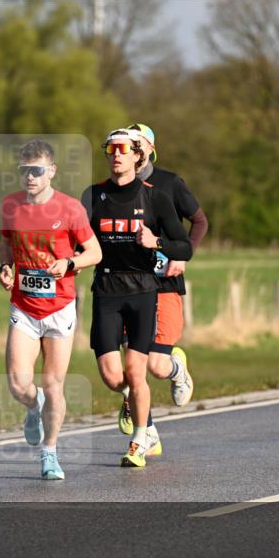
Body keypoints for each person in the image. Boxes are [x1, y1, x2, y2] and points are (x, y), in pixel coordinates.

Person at [82, 129, 192, 468]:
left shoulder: (154, 197)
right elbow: (76, 239)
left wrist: (155, 242)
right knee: (114, 378)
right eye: (111, 149)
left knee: (136, 369)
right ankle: (137, 409)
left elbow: (183, 245)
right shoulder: (93, 195)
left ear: (136, 156)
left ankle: (141, 440)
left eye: (123, 149)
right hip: (106, 290)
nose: (116, 154)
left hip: (143, 291)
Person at [0, 139, 103, 480]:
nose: (30, 177)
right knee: (18, 383)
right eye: (24, 170)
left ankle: (50, 454)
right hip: (25, 306)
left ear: (51, 171)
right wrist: (5, 267)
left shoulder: (70, 209)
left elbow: (95, 253)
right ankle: (33, 405)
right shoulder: (11, 206)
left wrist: (69, 263)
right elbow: (5, 242)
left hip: (59, 308)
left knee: (54, 384)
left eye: (36, 170)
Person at [111, 122, 210, 454]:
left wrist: (182, 255)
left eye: (135, 144)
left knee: (155, 364)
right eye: (125, 144)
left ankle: (176, 368)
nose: (129, 150)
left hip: (165, 282)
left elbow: (199, 222)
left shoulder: (169, 183)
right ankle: (147, 430)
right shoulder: (114, 188)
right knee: (129, 364)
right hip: (126, 286)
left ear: (149, 150)